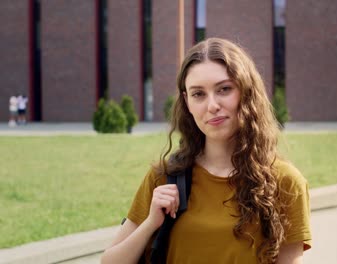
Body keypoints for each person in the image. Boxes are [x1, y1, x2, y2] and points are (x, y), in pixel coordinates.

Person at [101, 38, 311, 264]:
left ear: (246, 92)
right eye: (198, 94)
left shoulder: (285, 182)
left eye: (224, 89)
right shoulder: (164, 178)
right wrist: (151, 222)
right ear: (187, 102)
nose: (212, 105)